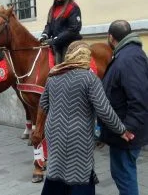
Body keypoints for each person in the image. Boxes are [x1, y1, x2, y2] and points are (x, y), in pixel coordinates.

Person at [39, 41, 133, 195]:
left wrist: (40, 129)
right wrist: (121, 130)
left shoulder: (53, 76)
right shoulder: (89, 79)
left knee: (56, 168)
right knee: (80, 172)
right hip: (78, 135)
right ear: (86, 57)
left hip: (54, 133)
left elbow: (43, 105)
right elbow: (104, 110)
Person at [99, 20, 148, 195]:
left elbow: (139, 98)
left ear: (110, 37)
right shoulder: (126, 54)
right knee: (122, 174)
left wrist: (128, 129)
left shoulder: (129, 58)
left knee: (124, 176)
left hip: (126, 135)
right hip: (121, 132)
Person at [39, 0, 82, 64]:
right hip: (55, 43)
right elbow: (49, 26)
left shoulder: (73, 7)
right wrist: (44, 35)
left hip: (68, 44)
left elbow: (74, 29)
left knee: (62, 66)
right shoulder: (52, 9)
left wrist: (56, 39)